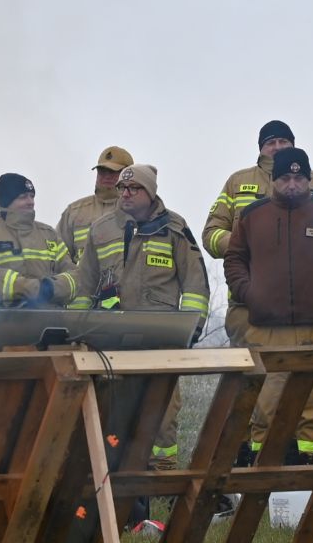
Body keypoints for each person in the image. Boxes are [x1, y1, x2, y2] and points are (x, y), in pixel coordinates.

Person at [65, 163, 212, 521]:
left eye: (135, 189)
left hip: (163, 345)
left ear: (151, 193)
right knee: (115, 417)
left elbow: (195, 285)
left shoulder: (175, 229)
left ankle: (161, 490)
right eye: (123, 188)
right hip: (113, 344)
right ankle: (113, 491)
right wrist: (78, 335)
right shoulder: (99, 231)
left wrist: (190, 331)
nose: (126, 193)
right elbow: (84, 288)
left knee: (162, 419)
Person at [222, 146, 313, 463]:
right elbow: (234, 260)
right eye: (285, 177)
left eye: (300, 177)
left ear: (309, 180)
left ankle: (310, 475)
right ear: (274, 180)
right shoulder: (253, 215)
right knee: (266, 411)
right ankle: (265, 478)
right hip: (266, 331)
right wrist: (248, 292)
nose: (293, 183)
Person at [204, 120, 313, 341]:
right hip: (248, 305)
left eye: (284, 141)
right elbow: (211, 234)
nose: (278, 146)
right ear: (261, 148)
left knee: (303, 373)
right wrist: (242, 245)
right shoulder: (237, 182)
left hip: (305, 307)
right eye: (271, 142)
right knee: (251, 372)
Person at [0, 174, 77, 311]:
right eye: (23, 197)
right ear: (7, 201)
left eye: (32, 196)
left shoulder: (49, 234)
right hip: (3, 323)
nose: (30, 201)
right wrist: (25, 287)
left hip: (50, 320)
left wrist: (51, 288)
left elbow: (73, 276)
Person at [56, 145, 133, 260]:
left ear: (129, 174)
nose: (107, 176)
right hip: (80, 277)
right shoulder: (74, 211)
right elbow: (58, 255)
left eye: (113, 171)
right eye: (102, 171)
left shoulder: (139, 210)